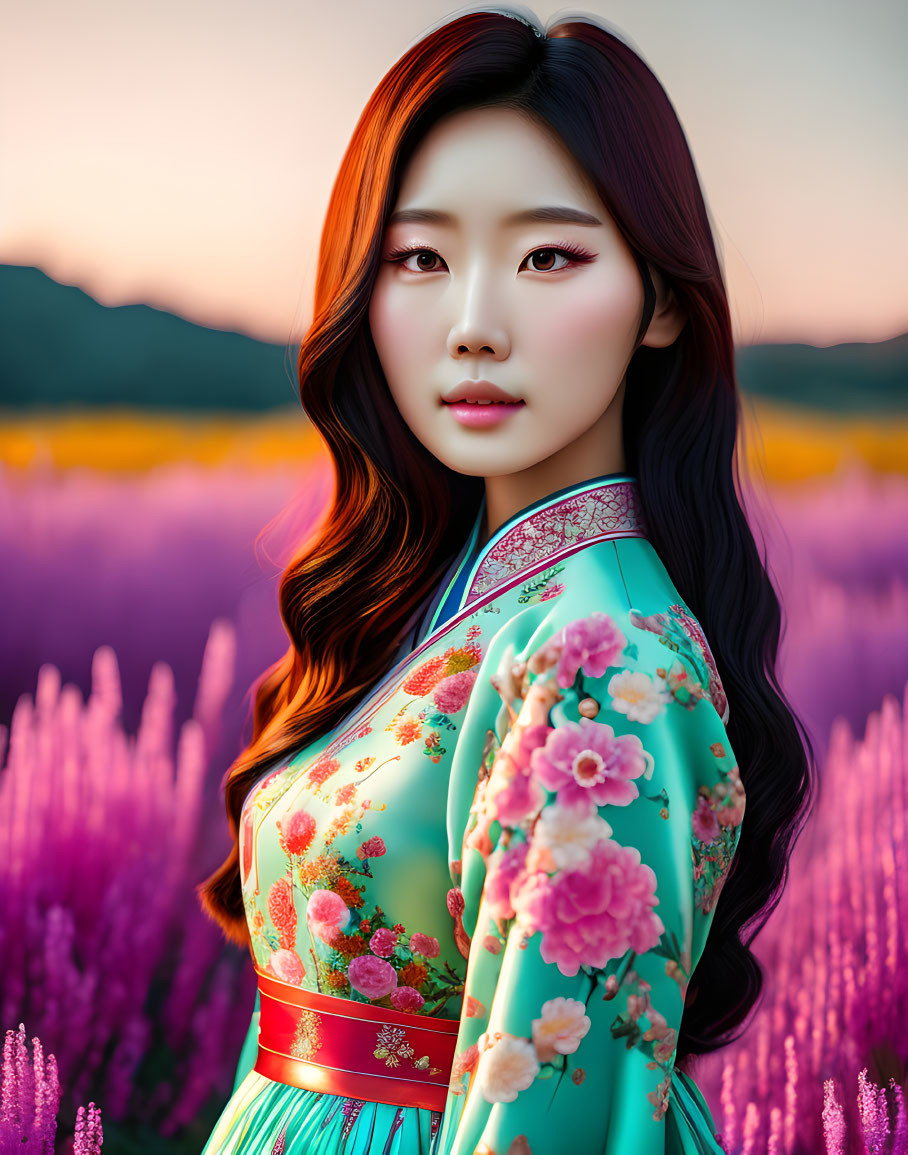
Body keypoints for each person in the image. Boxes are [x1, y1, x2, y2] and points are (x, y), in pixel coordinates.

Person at [197, 7, 815, 1152]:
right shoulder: (439, 605)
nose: (473, 325)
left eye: (546, 257)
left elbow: (551, 1121)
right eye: (419, 258)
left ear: (664, 301)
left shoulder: (601, 668)